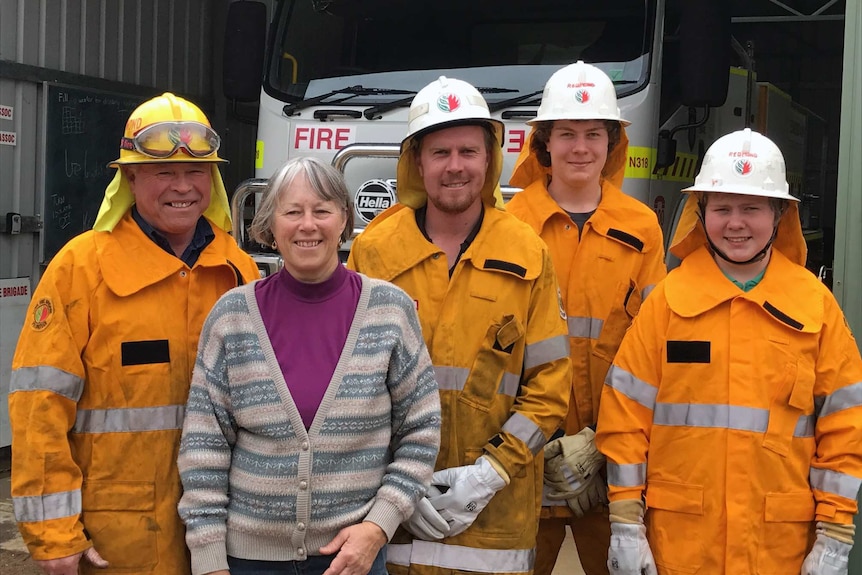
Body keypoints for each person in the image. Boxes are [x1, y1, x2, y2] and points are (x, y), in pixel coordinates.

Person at [8, 92, 261, 575]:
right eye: (163, 172)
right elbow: (39, 406)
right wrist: (54, 535)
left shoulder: (238, 269)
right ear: (129, 177)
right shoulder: (80, 269)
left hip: (224, 533)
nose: (182, 187)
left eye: (196, 171)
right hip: (117, 541)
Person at [596, 128, 862, 575]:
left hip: (778, 549)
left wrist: (835, 535)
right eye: (722, 208)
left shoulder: (815, 306)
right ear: (701, 214)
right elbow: (625, 418)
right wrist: (625, 523)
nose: (735, 223)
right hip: (679, 548)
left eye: (752, 208)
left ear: (779, 214)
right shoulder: (667, 300)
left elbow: (845, 427)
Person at [347, 76, 572, 575]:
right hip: (390, 514)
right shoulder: (376, 251)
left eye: (469, 151)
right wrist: (395, 481)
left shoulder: (527, 251)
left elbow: (551, 385)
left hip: (496, 518)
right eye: (440, 152)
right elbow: (351, 386)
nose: (455, 166)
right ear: (417, 162)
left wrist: (489, 473)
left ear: (489, 159)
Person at [176, 156, 441, 575]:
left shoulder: (389, 310)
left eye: (322, 210)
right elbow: (204, 448)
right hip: (248, 562)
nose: (308, 225)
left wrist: (379, 525)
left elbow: (421, 432)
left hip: (353, 559)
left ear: (344, 221)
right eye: (292, 212)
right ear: (269, 226)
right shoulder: (233, 317)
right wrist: (208, 559)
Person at [505, 60, 667, 575]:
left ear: (612, 143)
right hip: (526, 462)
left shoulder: (641, 226)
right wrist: (533, 444)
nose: (580, 148)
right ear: (543, 143)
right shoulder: (510, 224)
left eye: (593, 134)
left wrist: (601, 442)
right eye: (566, 134)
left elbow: (652, 347)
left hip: (612, 463)